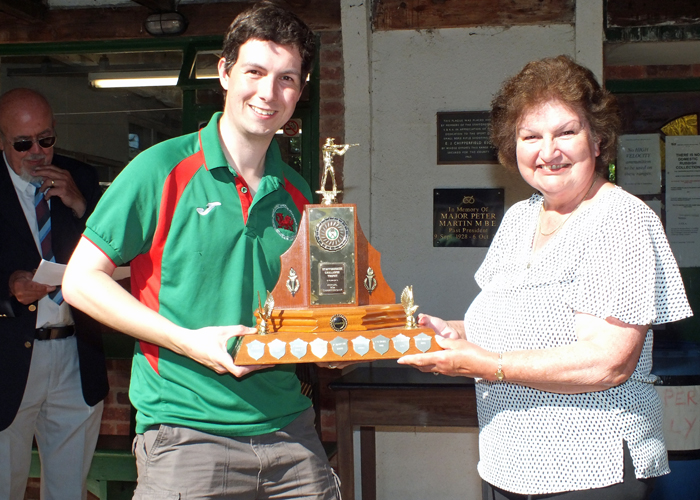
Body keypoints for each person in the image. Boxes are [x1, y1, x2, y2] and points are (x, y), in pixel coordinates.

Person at [62, 2, 340, 498]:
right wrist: (187, 340)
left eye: (287, 78)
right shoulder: (160, 168)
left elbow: (311, 315)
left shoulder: (302, 197)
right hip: (186, 434)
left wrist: (341, 343)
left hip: (292, 434)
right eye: (254, 72)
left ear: (301, 89)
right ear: (225, 73)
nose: (268, 92)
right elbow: (80, 281)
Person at [399, 55, 693, 500]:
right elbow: (508, 324)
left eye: (566, 132)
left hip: (589, 470)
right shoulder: (520, 218)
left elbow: (608, 362)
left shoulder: (621, 220)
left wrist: (486, 366)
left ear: (597, 140)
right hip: (506, 463)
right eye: (530, 136)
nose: (547, 151)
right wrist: (450, 331)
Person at [0, 88, 108, 500]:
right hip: (9, 355)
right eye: (22, 143)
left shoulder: (78, 176)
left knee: (68, 490)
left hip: (74, 353)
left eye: (45, 140)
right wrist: (9, 290)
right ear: (1, 141)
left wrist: (82, 207)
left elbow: (119, 252)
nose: (37, 153)